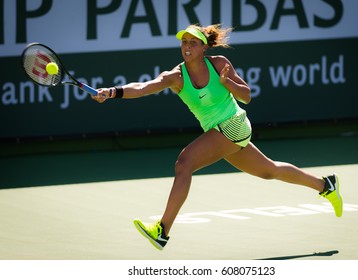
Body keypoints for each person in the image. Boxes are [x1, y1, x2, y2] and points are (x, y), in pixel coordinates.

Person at [92, 24, 343, 250]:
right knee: (269, 170)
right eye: (184, 42)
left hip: (235, 124)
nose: (187, 46)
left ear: (203, 47)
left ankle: (162, 230)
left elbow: (246, 95)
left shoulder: (220, 63)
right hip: (220, 132)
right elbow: (143, 87)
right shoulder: (175, 77)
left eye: (193, 42)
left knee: (184, 163)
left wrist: (228, 83)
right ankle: (326, 186)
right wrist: (112, 92)